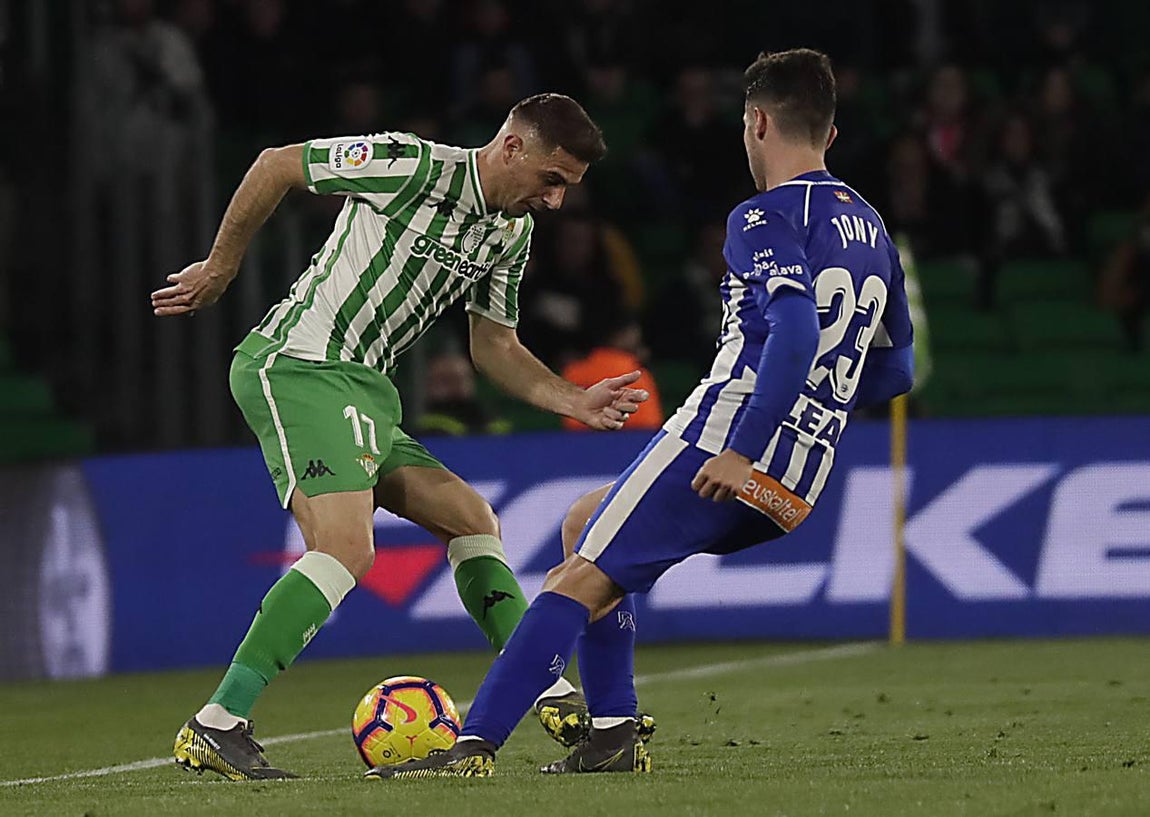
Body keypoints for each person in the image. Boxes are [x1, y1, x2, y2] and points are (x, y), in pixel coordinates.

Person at [363, 48, 914, 780]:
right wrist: (809, 408)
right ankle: (614, 730)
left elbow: (794, 329)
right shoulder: (872, 229)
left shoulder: (763, 216)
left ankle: (470, 748)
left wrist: (744, 444)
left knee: (573, 582)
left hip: (724, 443)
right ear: (830, 134)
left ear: (756, 123)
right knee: (583, 524)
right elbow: (896, 369)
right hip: (800, 476)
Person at [151, 93, 651, 780]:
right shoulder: (409, 164)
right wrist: (220, 267)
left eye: (567, 187)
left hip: (365, 391)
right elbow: (277, 165)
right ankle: (218, 721)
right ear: (512, 147)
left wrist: (573, 398)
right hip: (301, 364)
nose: (556, 200)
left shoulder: (509, 233)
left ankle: (546, 687)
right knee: (346, 548)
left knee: (472, 519)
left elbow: (494, 345)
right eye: (551, 179)